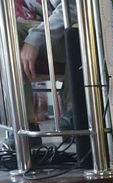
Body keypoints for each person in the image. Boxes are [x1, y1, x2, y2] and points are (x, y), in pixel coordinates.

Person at [16, 0, 76, 130]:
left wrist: (34, 40)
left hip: (69, 30)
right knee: (7, 31)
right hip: (40, 31)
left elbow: (72, 7)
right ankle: (23, 125)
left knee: (77, 30)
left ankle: (74, 113)